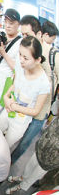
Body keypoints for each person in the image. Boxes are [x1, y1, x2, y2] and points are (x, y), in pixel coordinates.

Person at [11, 15, 59, 164]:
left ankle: (11, 161)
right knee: (12, 133)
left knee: (25, 141)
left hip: (40, 109)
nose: (23, 38)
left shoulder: (53, 56)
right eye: (22, 34)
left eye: (27, 35)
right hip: (22, 102)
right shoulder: (24, 53)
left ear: (39, 34)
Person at [0, 36, 50, 150]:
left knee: (5, 147)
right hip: (8, 110)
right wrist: (6, 97)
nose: (21, 60)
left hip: (20, 122)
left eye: (25, 58)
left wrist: (13, 106)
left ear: (38, 60)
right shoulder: (20, 65)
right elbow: (15, 84)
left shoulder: (44, 83)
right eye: (20, 54)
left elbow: (35, 111)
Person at [5, 115, 59, 194]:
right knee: (29, 166)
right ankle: (22, 177)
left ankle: (21, 186)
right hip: (42, 148)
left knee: (35, 175)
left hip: (52, 160)